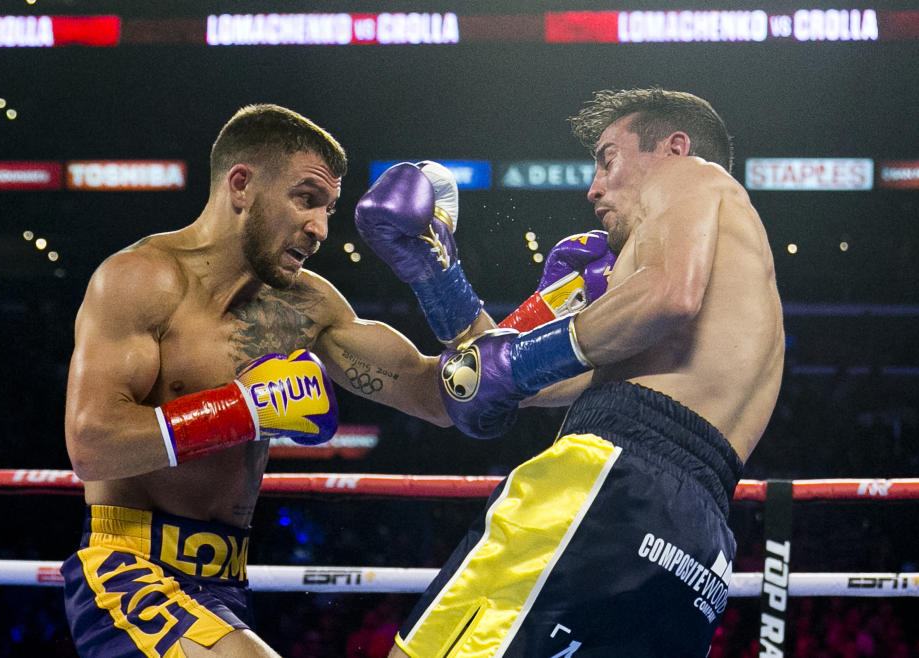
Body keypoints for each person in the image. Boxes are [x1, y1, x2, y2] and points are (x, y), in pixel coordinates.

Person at [357, 88, 785, 656]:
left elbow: (668, 295)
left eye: (609, 158)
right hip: (696, 548)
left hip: (613, 483)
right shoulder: (734, 307)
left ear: (674, 148)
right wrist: (438, 275)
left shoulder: (694, 177)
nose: (594, 187)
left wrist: (524, 360)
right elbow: (492, 384)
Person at [59, 104, 457, 657]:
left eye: (329, 209)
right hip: (129, 571)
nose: (320, 227)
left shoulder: (307, 306)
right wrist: (241, 410)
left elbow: (438, 396)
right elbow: (91, 446)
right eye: (306, 199)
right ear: (241, 185)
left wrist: (441, 280)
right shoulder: (140, 279)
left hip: (226, 587)